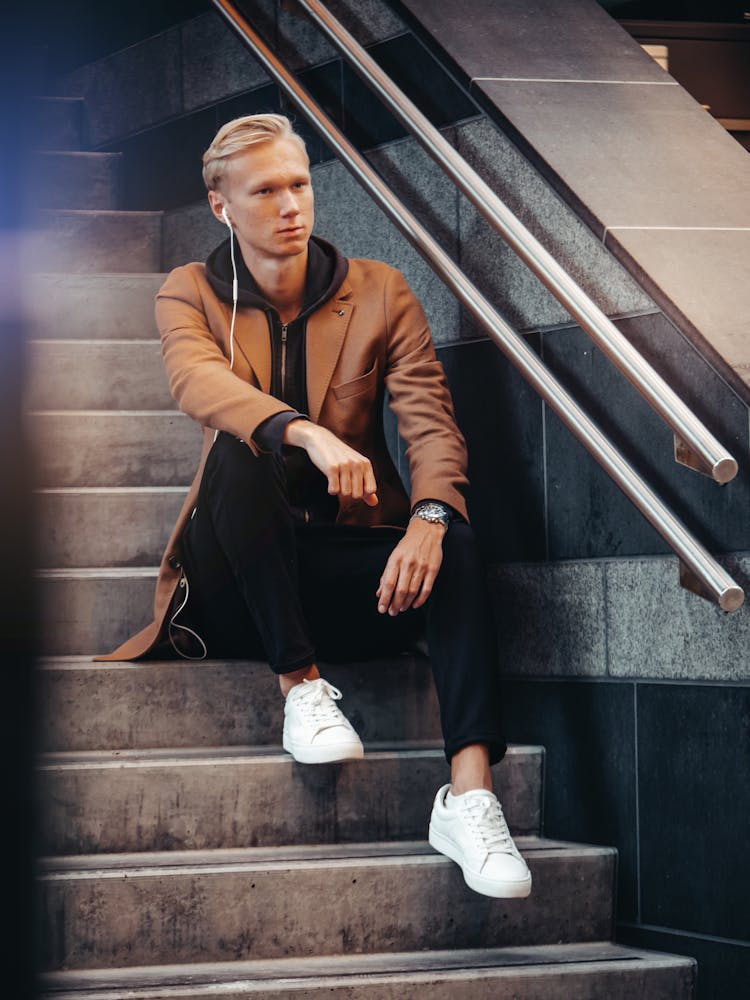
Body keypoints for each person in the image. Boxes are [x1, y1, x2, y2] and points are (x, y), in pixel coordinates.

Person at [97, 114, 531, 900]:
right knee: (240, 446)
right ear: (221, 206)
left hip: (336, 568)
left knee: (454, 538)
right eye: (265, 190)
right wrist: (306, 435)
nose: (291, 204)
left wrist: (430, 521)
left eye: (300, 183)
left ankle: (469, 797)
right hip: (231, 586)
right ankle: (300, 688)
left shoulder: (379, 292)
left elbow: (431, 427)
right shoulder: (188, 291)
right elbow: (197, 383)